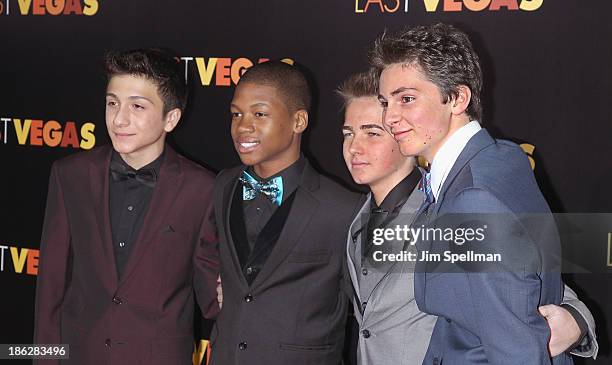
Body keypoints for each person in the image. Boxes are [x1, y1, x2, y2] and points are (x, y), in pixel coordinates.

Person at [341, 66, 597, 364]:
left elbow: (530, 289)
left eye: (372, 133)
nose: (355, 147)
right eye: (348, 133)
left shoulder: (460, 201)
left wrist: (576, 321)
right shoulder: (354, 218)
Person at [34, 48, 220, 365]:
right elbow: (50, 287)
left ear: (171, 118)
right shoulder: (70, 175)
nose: (119, 118)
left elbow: (212, 293)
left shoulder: (203, 189)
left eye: (137, 106)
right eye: (112, 103)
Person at [210, 60, 362, 365]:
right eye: (236, 114)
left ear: (299, 121)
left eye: (260, 114)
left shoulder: (344, 209)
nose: (243, 126)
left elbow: (370, 313)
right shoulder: (224, 185)